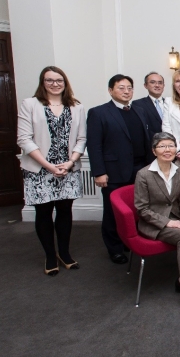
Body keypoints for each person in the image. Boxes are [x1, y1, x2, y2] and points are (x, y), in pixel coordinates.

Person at [17, 66, 86, 276]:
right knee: (44, 213)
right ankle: (49, 255)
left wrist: (70, 162)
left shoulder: (76, 106)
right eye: (49, 80)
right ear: (42, 82)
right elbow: (24, 139)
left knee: (65, 212)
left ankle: (64, 253)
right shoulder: (30, 104)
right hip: (40, 169)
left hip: (68, 169)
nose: (55, 84)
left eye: (59, 80)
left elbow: (82, 139)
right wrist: (48, 166)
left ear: (65, 83)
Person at [134, 132, 180, 316]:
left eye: (171, 145)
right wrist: (168, 223)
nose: (167, 150)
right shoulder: (144, 175)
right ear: (154, 150)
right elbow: (142, 209)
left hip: (177, 215)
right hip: (154, 222)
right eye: (162, 146)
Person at [87, 74, 154, 264]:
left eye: (129, 88)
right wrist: (99, 172)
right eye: (121, 88)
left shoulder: (139, 110)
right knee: (113, 211)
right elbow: (94, 145)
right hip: (114, 171)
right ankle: (114, 248)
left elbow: (146, 140)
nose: (126, 91)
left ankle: (128, 242)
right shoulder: (98, 112)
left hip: (140, 170)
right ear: (110, 90)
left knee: (135, 209)